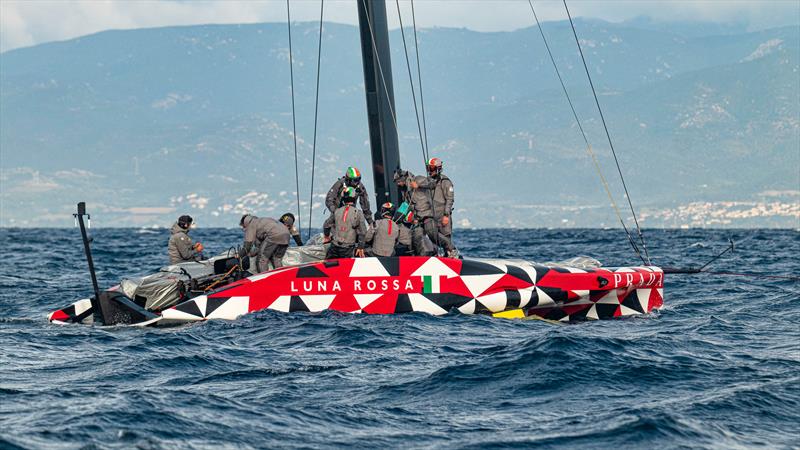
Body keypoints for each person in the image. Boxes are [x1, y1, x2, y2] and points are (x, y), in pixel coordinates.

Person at [416, 157, 457, 258]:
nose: (430, 171)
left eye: (432, 169)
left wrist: (446, 215)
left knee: (445, 238)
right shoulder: (428, 182)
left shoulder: (445, 182)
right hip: (432, 216)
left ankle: (452, 254)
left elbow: (449, 199)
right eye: (428, 169)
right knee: (433, 239)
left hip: (442, 216)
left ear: (438, 169)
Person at [323, 187, 367, 259]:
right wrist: (360, 247)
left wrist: (327, 236)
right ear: (355, 197)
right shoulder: (358, 213)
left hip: (334, 247)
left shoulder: (337, 211)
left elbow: (326, 225)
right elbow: (362, 232)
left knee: (329, 267)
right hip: (348, 249)